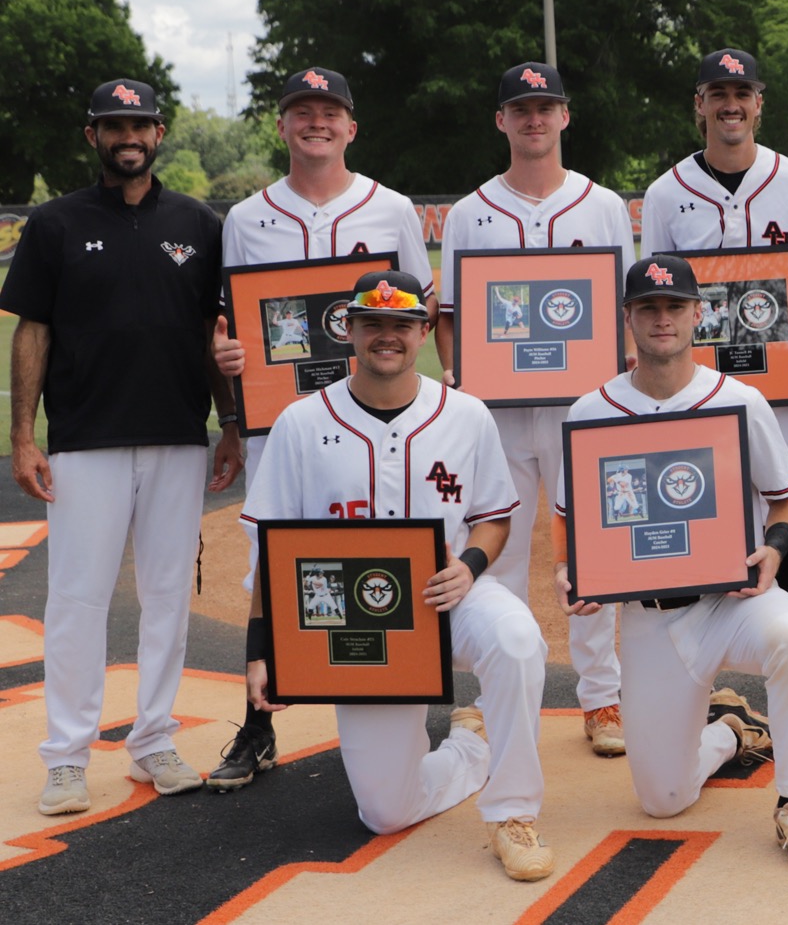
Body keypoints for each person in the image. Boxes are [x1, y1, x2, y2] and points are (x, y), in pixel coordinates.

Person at [240, 270, 553, 881]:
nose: (388, 336)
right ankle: (473, 745)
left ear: (424, 331)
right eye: (373, 323)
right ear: (349, 330)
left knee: (518, 639)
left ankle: (513, 812)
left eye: (403, 325)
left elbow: (493, 519)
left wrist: (469, 567)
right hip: (361, 627)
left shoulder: (465, 414)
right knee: (384, 812)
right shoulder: (301, 423)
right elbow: (271, 553)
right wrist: (261, 650)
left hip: (449, 596)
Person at [554, 254, 788, 871]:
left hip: (731, 602)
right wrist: (567, 569)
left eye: (674, 306)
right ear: (628, 317)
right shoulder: (591, 410)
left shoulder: (738, 399)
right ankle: (732, 731)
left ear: (697, 314)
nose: (663, 319)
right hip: (649, 617)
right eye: (648, 307)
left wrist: (777, 548)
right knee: (664, 800)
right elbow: (569, 518)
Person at [6, 79, 243, 816]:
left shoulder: (198, 222)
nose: (127, 135)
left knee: (168, 596)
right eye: (113, 125)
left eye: (139, 122)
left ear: (160, 131)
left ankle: (153, 738)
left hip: (178, 435)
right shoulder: (54, 224)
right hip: (85, 439)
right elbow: (32, 332)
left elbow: (214, 335)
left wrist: (230, 422)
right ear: (93, 137)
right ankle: (68, 757)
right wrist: (23, 435)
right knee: (78, 599)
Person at [211, 66, 433, 790]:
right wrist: (232, 354)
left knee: (388, 534)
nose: (316, 122)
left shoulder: (392, 207)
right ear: (281, 126)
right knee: (267, 554)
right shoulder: (246, 218)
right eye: (301, 111)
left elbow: (415, 312)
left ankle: (411, 684)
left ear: (350, 127)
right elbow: (239, 321)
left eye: (329, 111)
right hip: (285, 418)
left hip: (378, 409)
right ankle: (258, 719)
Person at [433, 62, 633, 756]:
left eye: (545, 106)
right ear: (502, 120)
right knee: (502, 549)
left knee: (595, 550)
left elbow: (621, 311)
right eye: (520, 108)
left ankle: (602, 696)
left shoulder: (602, 204)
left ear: (565, 116)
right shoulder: (469, 212)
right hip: (499, 412)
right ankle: (494, 697)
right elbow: (452, 316)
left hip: (584, 403)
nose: (534, 118)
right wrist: (460, 370)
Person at [640, 48, 788, 738]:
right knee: (704, 505)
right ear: (699, 103)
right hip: (697, 389)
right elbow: (654, 294)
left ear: (760, 102)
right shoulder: (667, 194)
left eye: (742, 92)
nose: (730, 104)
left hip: (780, 386)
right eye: (717, 92)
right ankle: (708, 669)